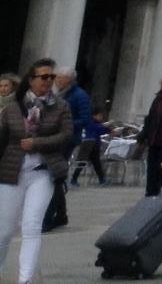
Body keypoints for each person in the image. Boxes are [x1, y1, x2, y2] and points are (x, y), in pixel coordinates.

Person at [0, 59, 71, 284]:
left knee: (32, 225)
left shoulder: (60, 106)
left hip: (42, 173)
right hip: (12, 172)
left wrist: (37, 143)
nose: (49, 81)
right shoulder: (13, 107)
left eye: (52, 77)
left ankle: (25, 279)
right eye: (44, 77)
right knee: (4, 230)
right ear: (31, 80)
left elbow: (66, 135)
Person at [41, 64, 88, 232]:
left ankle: (48, 218)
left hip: (67, 140)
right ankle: (60, 215)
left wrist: (63, 124)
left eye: (60, 78)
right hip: (53, 139)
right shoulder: (54, 94)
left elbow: (84, 119)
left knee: (54, 176)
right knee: (56, 178)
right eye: (56, 77)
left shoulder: (79, 95)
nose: (56, 81)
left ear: (69, 79)